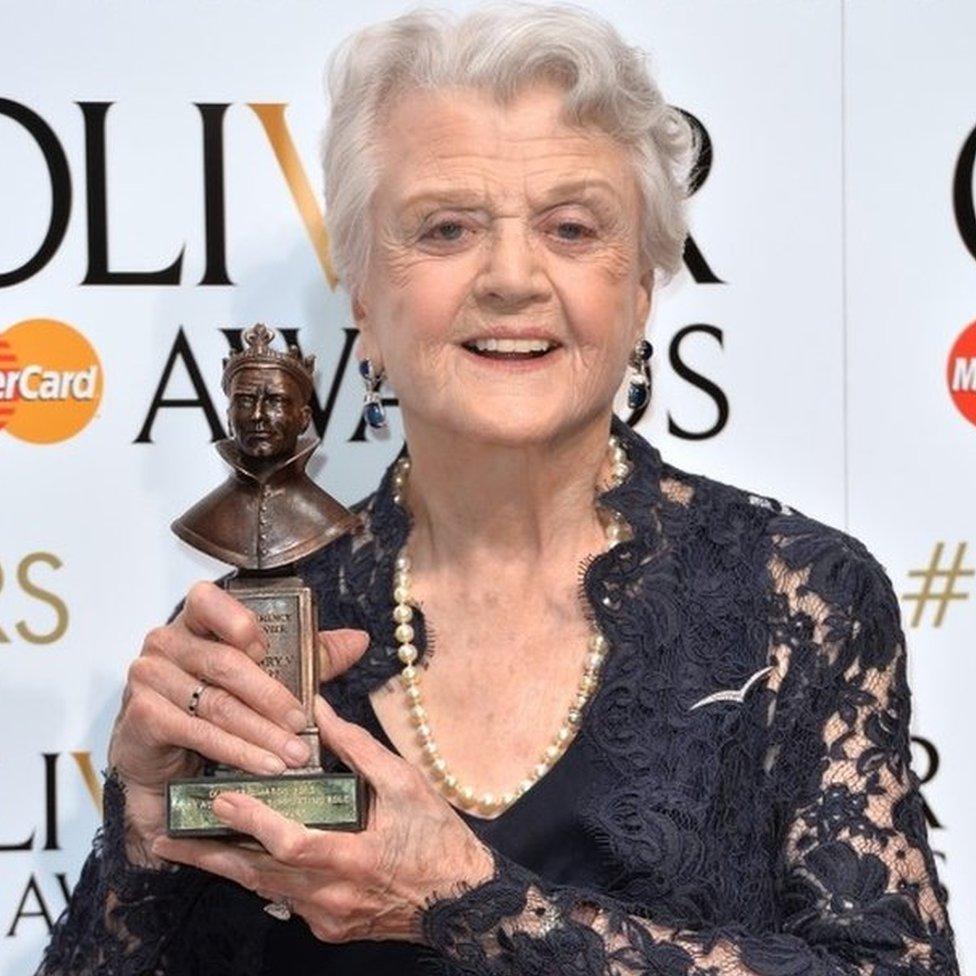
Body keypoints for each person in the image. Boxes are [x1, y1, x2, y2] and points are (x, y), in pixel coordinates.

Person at [37, 5, 959, 975]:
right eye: (446, 228)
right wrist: (141, 840)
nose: (512, 277)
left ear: (640, 289)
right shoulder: (251, 642)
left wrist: (463, 903)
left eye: (571, 228)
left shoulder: (798, 603)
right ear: (363, 297)